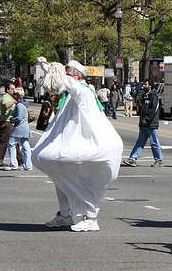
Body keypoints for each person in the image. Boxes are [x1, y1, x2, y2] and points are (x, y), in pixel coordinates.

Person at [33, 57, 123, 232]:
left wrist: (52, 69)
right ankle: (65, 215)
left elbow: (67, 83)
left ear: (78, 76)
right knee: (61, 180)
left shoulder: (84, 91)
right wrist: (47, 68)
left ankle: (90, 218)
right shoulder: (72, 93)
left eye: (68, 74)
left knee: (77, 183)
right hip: (73, 147)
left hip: (87, 148)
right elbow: (60, 82)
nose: (65, 77)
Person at [123, 79, 164, 167]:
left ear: (150, 86)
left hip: (151, 124)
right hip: (143, 124)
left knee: (154, 142)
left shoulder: (154, 96)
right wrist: (142, 120)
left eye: (145, 85)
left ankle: (159, 160)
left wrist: (147, 119)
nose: (143, 86)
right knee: (140, 142)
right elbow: (142, 110)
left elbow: (153, 109)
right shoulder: (145, 96)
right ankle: (133, 159)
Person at [5, 88, 32, 171]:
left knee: (11, 144)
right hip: (25, 127)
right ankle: (28, 165)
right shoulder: (23, 104)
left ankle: (13, 164)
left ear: (18, 95)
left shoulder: (20, 105)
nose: (13, 95)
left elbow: (19, 118)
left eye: (15, 94)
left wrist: (12, 119)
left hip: (20, 127)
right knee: (25, 145)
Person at [0, 82, 18, 166]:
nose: (14, 90)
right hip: (5, 122)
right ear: (7, 90)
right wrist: (15, 100)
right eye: (12, 89)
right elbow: (6, 105)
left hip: (11, 122)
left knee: (15, 142)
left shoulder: (11, 97)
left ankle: (20, 159)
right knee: (4, 142)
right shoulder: (6, 97)